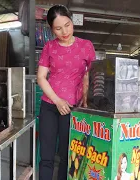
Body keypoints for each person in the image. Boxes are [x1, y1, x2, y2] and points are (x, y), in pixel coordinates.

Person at [37, 4, 95, 180]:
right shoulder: (49, 47)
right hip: (49, 105)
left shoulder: (86, 46)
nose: (64, 31)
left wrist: (85, 100)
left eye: (67, 25)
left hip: (72, 108)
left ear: (72, 20)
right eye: (58, 28)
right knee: (46, 156)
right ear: (51, 29)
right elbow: (41, 77)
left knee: (66, 155)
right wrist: (57, 101)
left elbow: (89, 76)